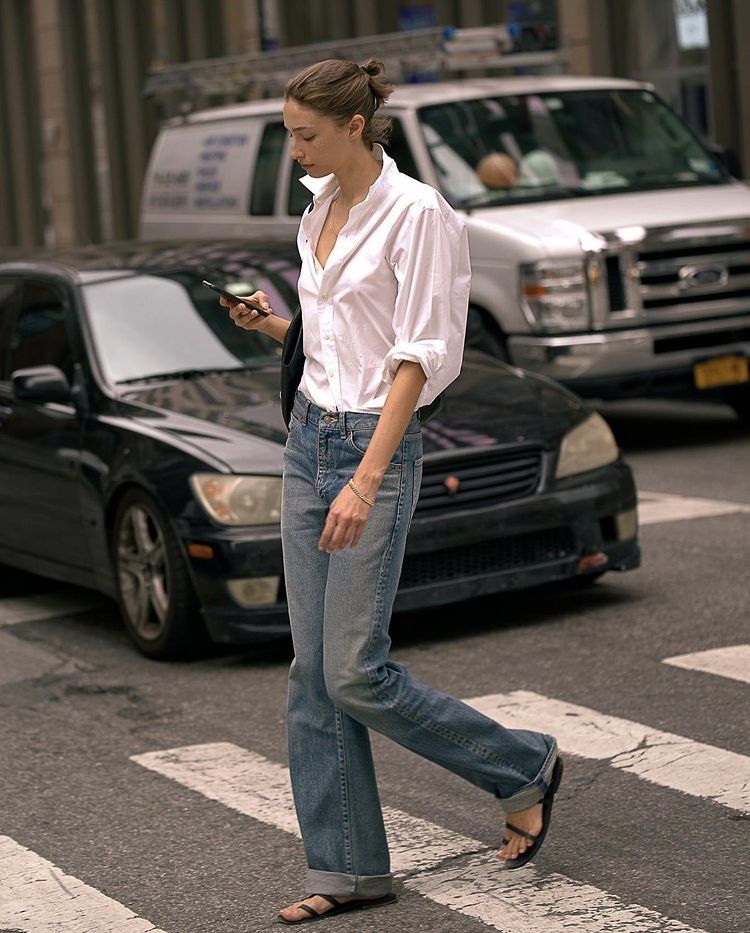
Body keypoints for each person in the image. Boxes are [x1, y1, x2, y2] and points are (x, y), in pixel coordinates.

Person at [219, 57, 563, 927]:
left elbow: (418, 357)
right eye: (288, 134)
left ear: (354, 126)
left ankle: (521, 765)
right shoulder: (318, 207)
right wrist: (277, 326)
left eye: (305, 134)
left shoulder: (419, 215)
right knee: (312, 675)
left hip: (372, 446)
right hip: (308, 436)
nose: (294, 150)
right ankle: (348, 869)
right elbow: (344, 338)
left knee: (354, 670)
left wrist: (366, 480)